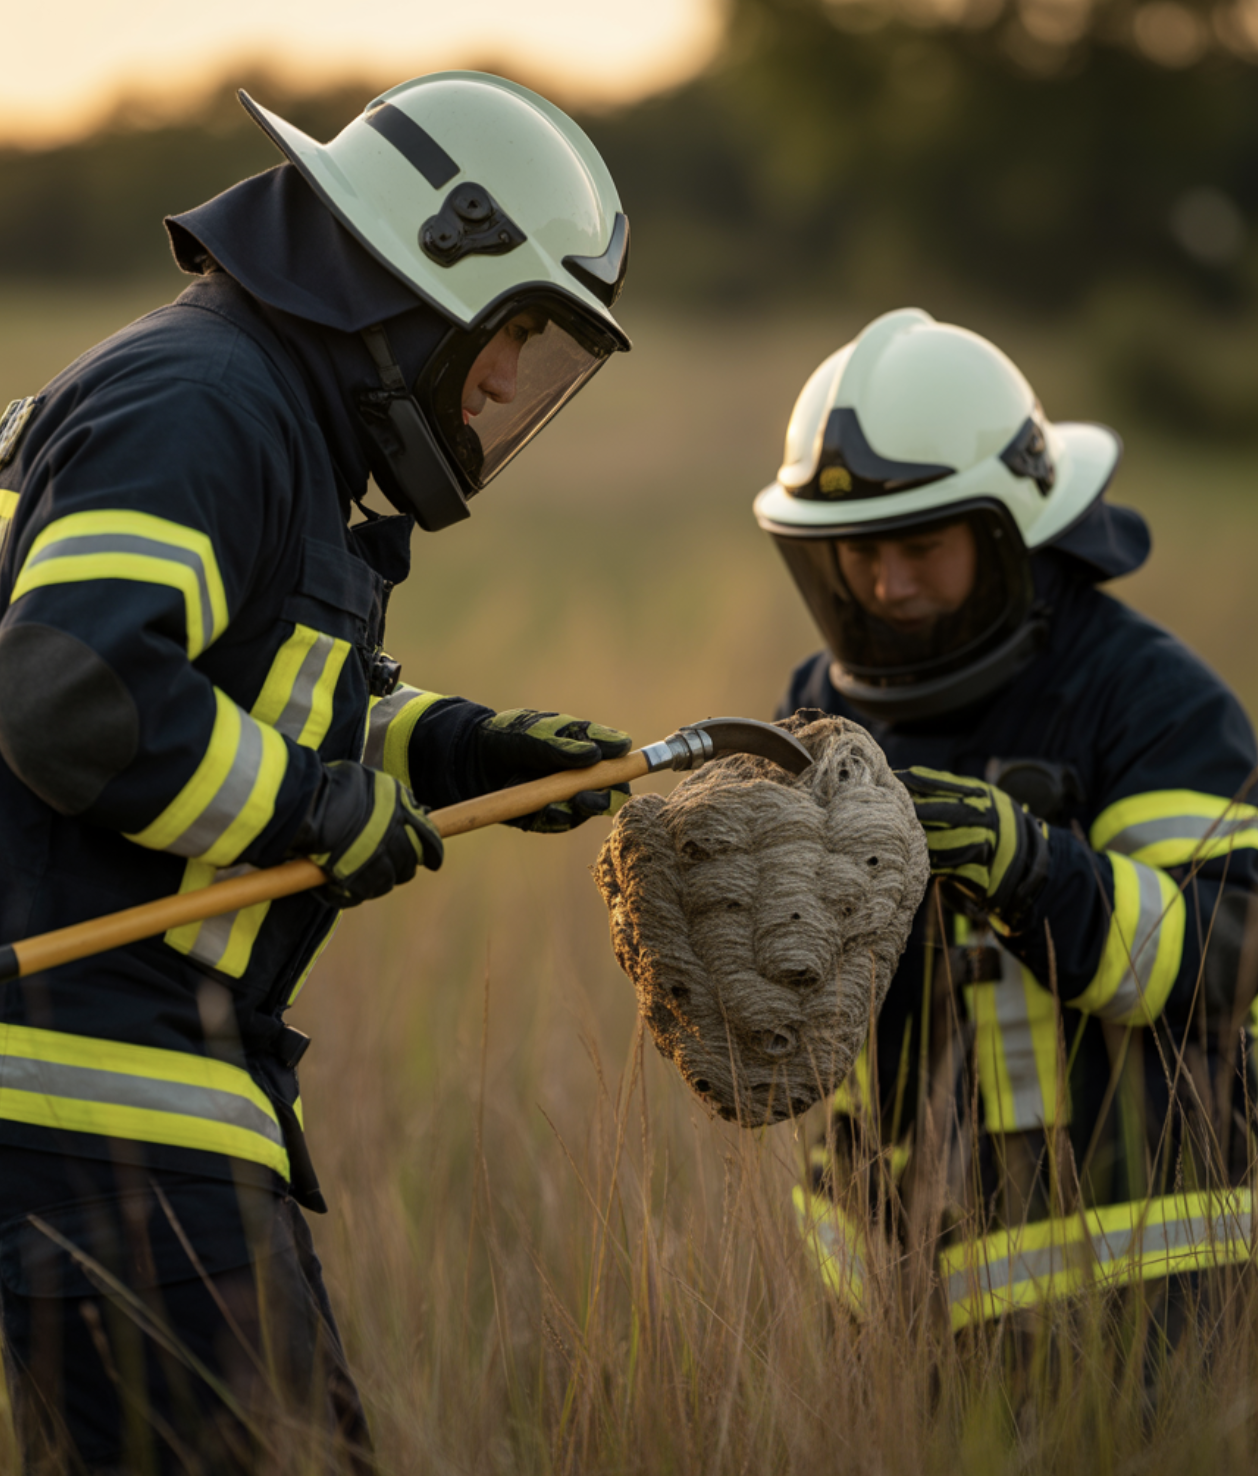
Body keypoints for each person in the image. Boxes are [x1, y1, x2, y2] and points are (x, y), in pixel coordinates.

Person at [0, 72, 634, 1472]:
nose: (507, 384)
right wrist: (314, 809)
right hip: (94, 1101)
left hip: (109, 1098)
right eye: (512, 331)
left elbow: (219, 685)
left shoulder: (257, 405)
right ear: (421, 271)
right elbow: (75, 694)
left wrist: (452, 747)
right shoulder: (203, 398)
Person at [754, 307, 1258, 1336]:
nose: (888, 588)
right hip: (879, 1311)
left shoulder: (1150, 698)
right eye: (856, 557)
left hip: (1140, 1304)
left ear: (1010, 528)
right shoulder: (819, 703)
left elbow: (1230, 955)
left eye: (921, 548)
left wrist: (1034, 872)